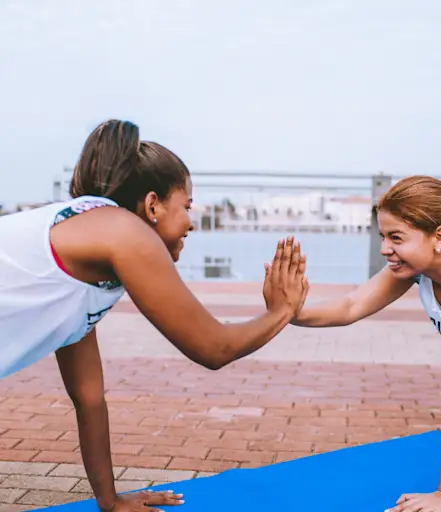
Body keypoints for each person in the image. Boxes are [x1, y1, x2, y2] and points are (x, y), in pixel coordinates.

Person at [0, 119, 309, 512]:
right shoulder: (124, 233)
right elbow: (213, 348)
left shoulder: (87, 254)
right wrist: (282, 311)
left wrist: (110, 502)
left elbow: (89, 397)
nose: (191, 222)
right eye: (187, 206)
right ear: (151, 205)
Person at [287, 175, 441, 512]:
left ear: (439, 236)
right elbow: (351, 306)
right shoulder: (416, 268)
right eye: (382, 236)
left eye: (396, 237)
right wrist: (288, 311)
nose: (384, 249)